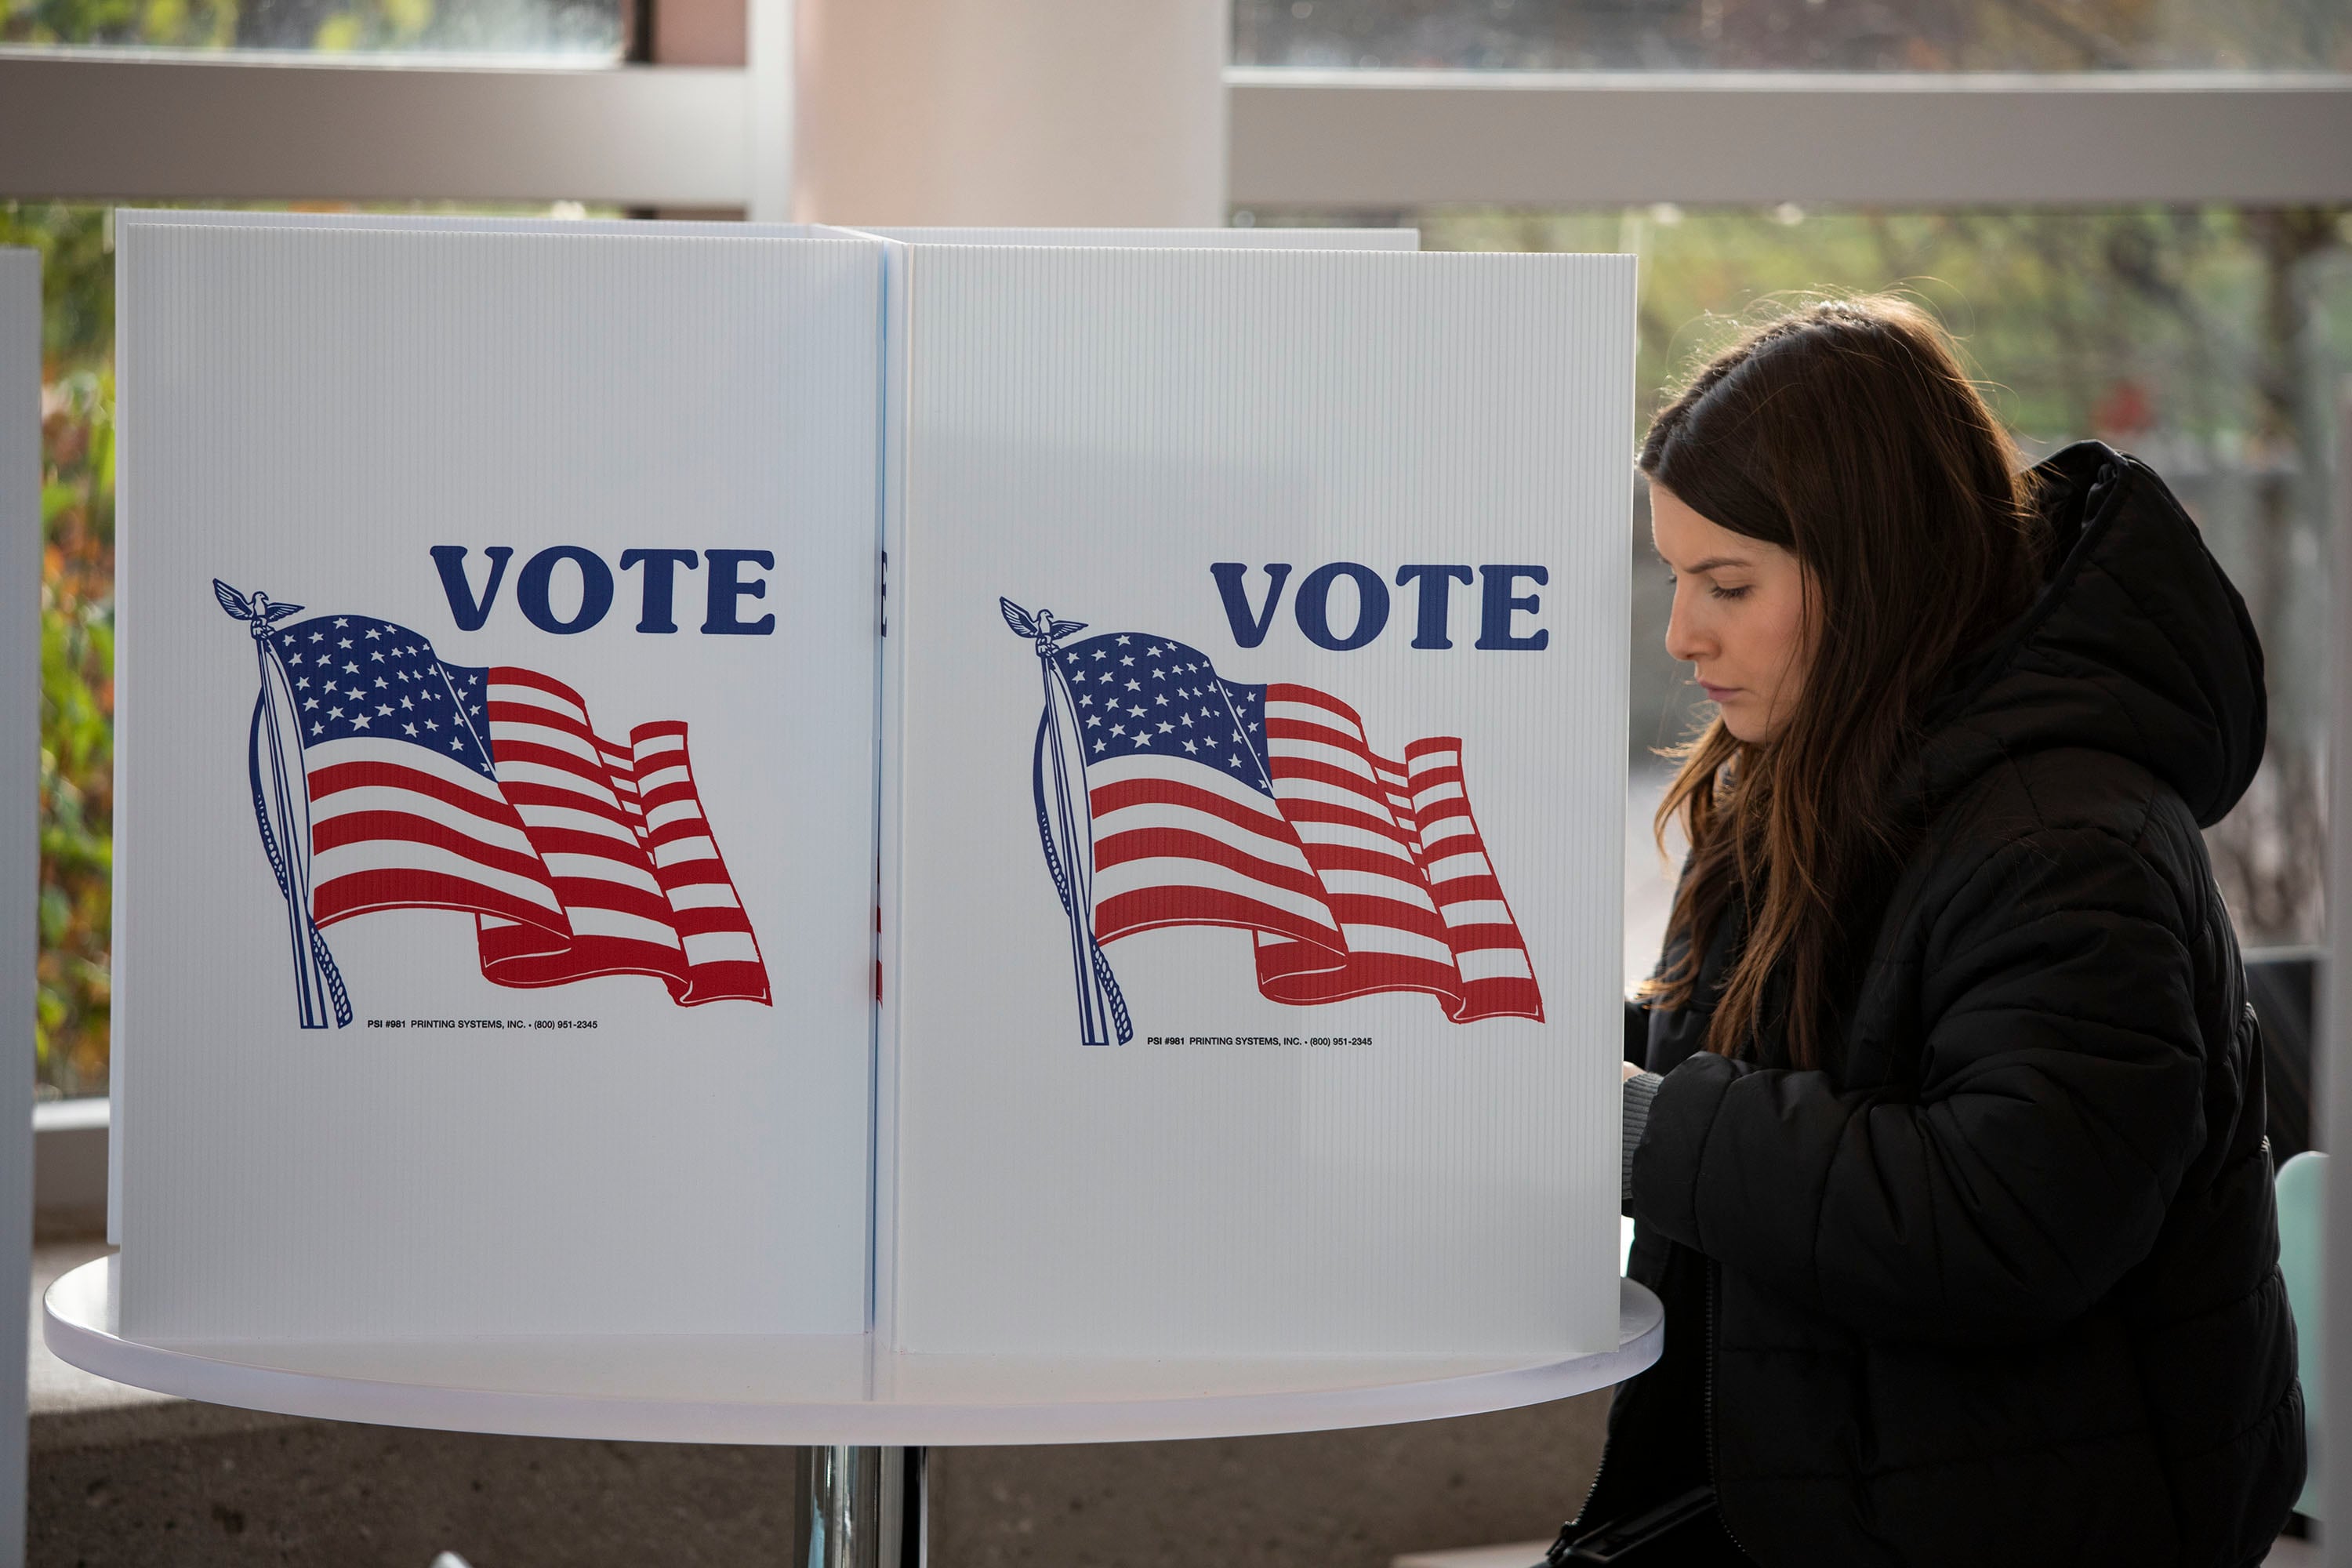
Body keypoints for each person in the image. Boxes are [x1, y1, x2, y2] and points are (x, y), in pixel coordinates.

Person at [1559, 297, 2305, 1567]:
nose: (1683, 634)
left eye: (1726, 585)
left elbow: (2007, 1219)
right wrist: (1549, 1053)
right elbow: (1809, 1052)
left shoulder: (2070, 840)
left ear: (1875, 570)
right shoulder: (1822, 773)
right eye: (1678, 579)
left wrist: (1633, 1123)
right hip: (1840, 1478)